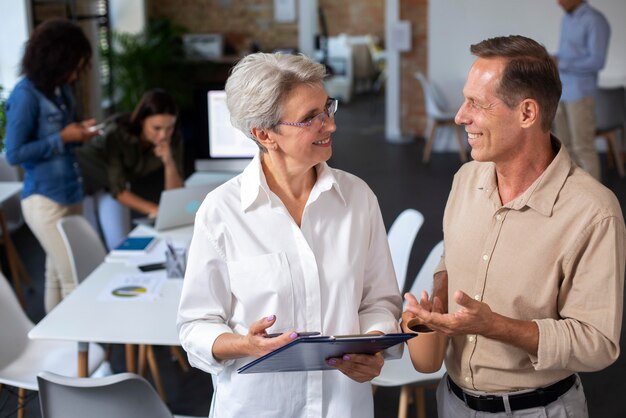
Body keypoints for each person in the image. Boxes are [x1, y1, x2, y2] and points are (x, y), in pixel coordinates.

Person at [402, 35, 625, 418]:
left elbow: (597, 342)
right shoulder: (465, 179)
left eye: (476, 103)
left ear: (526, 113)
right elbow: (450, 256)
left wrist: (496, 326)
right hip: (452, 402)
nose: (460, 116)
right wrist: (440, 297)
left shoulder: (593, 212)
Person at [177, 52, 401, 418]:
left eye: (327, 109)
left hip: (343, 407)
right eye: (310, 118)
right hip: (259, 408)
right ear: (264, 134)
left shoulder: (357, 198)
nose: (329, 125)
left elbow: (379, 302)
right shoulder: (222, 212)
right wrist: (242, 344)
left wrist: (371, 347)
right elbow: (195, 325)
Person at [5, 19, 99, 312]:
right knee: (74, 279)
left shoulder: (60, 90)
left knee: (57, 276)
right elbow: (14, 153)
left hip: (71, 191)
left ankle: (60, 349)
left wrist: (78, 133)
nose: (75, 75)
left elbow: (62, 137)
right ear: (55, 60)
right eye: (74, 66)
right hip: (44, 200)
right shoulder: (25, 95)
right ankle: (83, 353)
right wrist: (61, 137)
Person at [76, 89, 184, 249]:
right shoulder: (117, 134)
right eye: (157, 128)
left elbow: (175, 194)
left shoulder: (172, 139)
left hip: (112, 184)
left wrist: (168, 161)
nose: (163, 135)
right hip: (82, 181)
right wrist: (156, 209)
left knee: (120, 243)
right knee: (88, 246)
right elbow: (118, 190)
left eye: (169, 128)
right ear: (142, 121)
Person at [553, 0, 610, 181]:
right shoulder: (566, 19)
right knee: (564, 148)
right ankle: (575, 196)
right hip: (560, 91)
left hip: (580, 94)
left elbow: (597, 61)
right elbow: (566, 53)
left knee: (583, 148)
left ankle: (596, 203)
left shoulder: (595, 20)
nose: (558, 2)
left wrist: (562, 63)